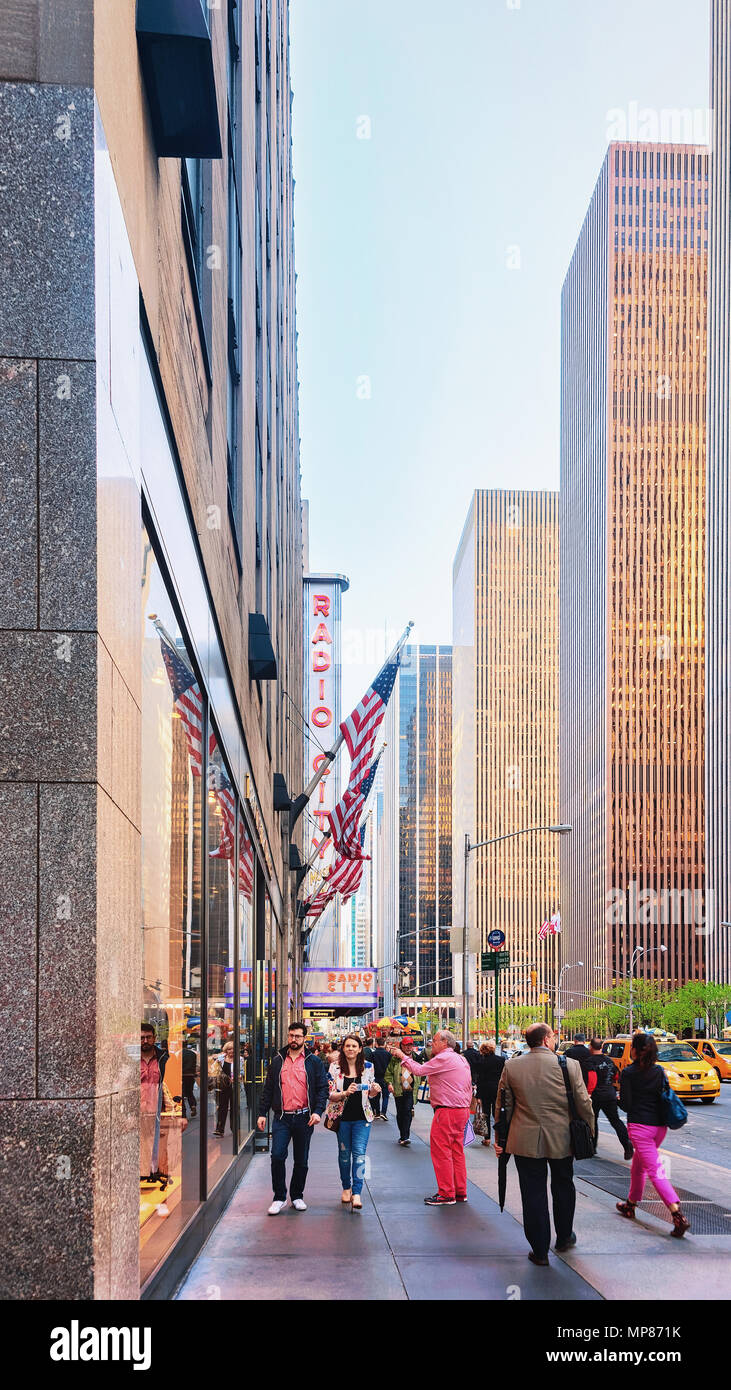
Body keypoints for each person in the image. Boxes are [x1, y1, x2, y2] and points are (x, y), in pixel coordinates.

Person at [493, 1021, 594, 1265]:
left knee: (533, 1194)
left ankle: (539, 1251)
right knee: (563, 1187)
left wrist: (500, 1140)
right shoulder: (569, 1065)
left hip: (524, 1140)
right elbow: (583, 1103)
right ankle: (563, 1237)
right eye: (553, 1036)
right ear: (547, 1040)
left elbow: (502, 1106)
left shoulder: (512, 1066)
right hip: (563, 1139)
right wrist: (590, 1130)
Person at [617, 1032, 690, 1236]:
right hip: (660, 1128)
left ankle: (677, 1214)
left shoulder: (629, 1073)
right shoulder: (659, 1071)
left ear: (635, 1051)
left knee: (655, 1171)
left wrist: (617, 1098)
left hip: (641, 1128)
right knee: (638, 1167)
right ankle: (630, 1204)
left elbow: (627, 1105)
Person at [392, 1029, 472, 1205]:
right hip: (461, 1109)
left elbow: (419, 1070)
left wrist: (402, 1056)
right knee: (456, 1150)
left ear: (445, 1042)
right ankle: (460, 1191)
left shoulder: (444, 1058)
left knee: (441, 1150)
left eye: (435, 1040)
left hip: (447, 1109)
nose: (431, 1043)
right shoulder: (461, 1058)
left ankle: (446, 1193)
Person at [257, 1021, 329, 1215]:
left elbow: (322, 1089)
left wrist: (317, 1111)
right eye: (291, 1036)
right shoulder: (278, 1060)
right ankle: (279, 1197)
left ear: (304, 1038)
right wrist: (262, 1113)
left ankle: (297, 1196)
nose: (293, 1039)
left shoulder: (314, 1062)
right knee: (277, 1156)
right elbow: (269, 1088)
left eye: (297, 1036)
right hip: (282, 1117)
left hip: (304, 1117)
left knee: (301, 1160)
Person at [327, 1034, 381, 1209]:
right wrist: (344, 1093)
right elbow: (330, 1094)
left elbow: (370, 1094)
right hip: (342, 1119)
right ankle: (346, 1187)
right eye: (347, 1046)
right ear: (343, 1048)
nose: (350, 1049)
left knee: (359, 1154)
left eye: (354, 1046)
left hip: (362, 1118)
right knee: (344, 1155)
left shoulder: (368, 1067)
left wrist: (374, 1090)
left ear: (359, 1049)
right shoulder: (334, 1068)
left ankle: (357, 1192)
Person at [586, 1038, 633, 1160]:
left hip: (596, 1095)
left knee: (593, 1120)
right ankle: (626, 1143)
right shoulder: (609, 1060)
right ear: (601, 1047)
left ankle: (592, 1146)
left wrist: (589, 1093)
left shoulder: (589, 1062)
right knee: (615, 1120)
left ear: (591, 1047)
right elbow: (616, 1075)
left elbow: (592, 1079)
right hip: (609, 1094)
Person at [384, 1034, 420, 1144]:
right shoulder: (395, 1059)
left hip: (411, 1090)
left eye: (410, 1045)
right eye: (406, 1045)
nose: (408, 1047)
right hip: (399, 1090)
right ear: (402, 1046)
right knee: (400, 1113)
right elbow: (388, 1073)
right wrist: (389, 1084)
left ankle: (405, 1136)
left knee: (408, 1112)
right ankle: (402, 1135)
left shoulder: (416, 1057)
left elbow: (421, 1071)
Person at [474, 1040, 505, 1146]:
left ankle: (487, 1138)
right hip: (498, 1090)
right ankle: (499, 1138)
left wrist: (478, 1096)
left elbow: (480, 1079)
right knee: (497, 1114)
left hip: (485, 1091)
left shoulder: (481, 1062)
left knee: (486, 1114)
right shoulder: (501, 1060)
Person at [212, 1040, 235, 1137]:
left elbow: (242, 1072)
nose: (231, 1051)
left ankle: (234, 1128)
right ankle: (220, 1129)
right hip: (223, 1086)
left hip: (234, 1086)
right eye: (229, 1049)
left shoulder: (239, 1059)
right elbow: (213, 1068)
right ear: (226, 1050)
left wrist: (238, 1077)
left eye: (233, 1049)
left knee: (234, 1108)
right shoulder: (221, 1059)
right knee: (222, 1108)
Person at [371, 1038, 392, 1119]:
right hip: (386, 1078)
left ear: (377, 1043)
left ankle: (377, 1112)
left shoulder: (373, 1054)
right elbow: (391, 1067)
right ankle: (383, 1112)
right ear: (384, 1044)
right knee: (385, 1096)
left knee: (376, 1096)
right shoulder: (388, 1054)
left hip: (376, 1077)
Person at [181, 1037, 198, 1119]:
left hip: (182, 1075)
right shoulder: (193, 1054)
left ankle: (183, 1112)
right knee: (189, 1092)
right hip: (191, 1075)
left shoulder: (178, 1054)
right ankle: (193, 1105)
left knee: (181, 1093)